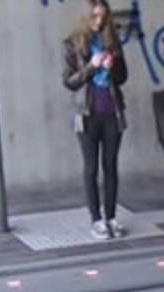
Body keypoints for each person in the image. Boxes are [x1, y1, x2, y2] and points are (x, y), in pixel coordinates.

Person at [62, 0, 129, 241]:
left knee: (110, 166)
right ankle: (96, 219)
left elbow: (123, 77)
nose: (99, 21)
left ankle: (111, 217)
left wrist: (112, 67)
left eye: (103, 16)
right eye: (94, 16)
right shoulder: (72, 43)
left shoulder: (112, 40)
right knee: (91, 168)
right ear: (86, 16)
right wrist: (91, 66)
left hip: (112, 110)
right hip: (87, 113)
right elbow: (69, 81)